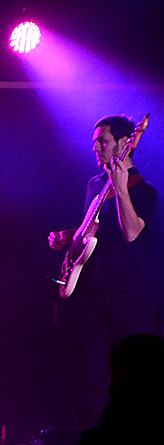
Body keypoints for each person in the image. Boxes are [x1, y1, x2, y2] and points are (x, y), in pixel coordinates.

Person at [48, 116, 158, 428]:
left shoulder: (144, 190)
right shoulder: (95, 185)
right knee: (91, 376)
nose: (95, 147)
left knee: (138, 373)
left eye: (103, 141)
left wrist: (122, 188)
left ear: (126, 144)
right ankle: (95, 443)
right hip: (90, 290)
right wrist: (68, 236)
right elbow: (96, 231)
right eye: (96, 141)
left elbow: (132, 232)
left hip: (129, 294)